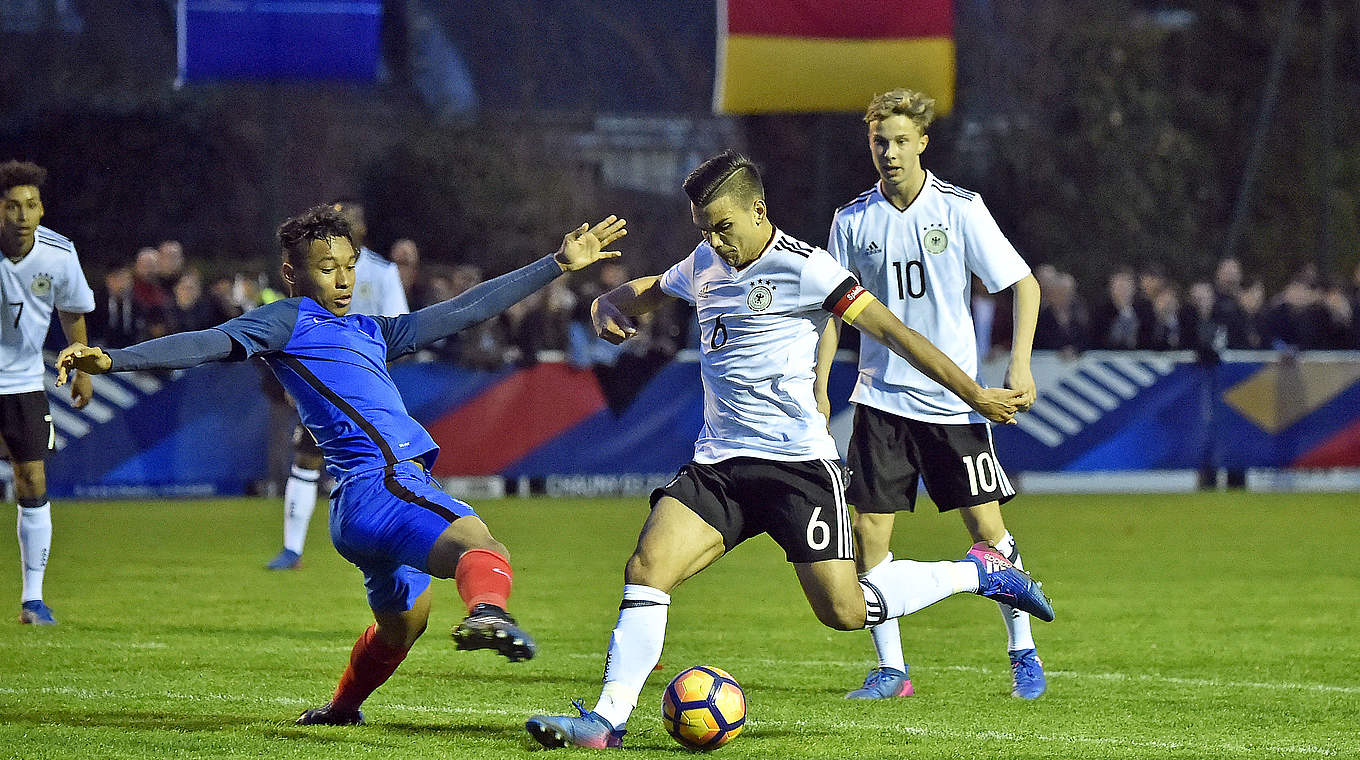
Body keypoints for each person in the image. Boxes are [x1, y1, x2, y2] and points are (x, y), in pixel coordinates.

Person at [524, 151, 1052, 750]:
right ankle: (607, 720)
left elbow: (898, 335)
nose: (715, 241)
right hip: (720, 466)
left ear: (758, 210)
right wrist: (607, 303)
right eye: (705, 230)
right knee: (647, 570)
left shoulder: (808, 268)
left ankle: (978, 571)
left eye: (723, 227)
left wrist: (976, 394)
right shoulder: (705, 261)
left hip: (798, 469)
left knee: (846, 612)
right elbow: (655, 287)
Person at [57, 205, 627, 724]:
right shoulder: (287, 320)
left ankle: (340, 710)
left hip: (357, 508)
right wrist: (111, 358)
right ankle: (489, 613)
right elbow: (208, 342)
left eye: (350, 265)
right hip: (386, 483)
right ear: (292, 274)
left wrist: (556, 264)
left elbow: (464, 310)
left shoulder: (369, 331)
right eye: (328, 267)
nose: (344, 279)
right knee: (482, 547)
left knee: (404, 625)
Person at [814, 88, 1048, 701]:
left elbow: (1023, 284)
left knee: (988, 529)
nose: (888, 152)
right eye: (878, 142)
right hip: (880, 399)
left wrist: (1018, 364)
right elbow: (833, 313)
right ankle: (892, 671)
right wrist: (819, 385)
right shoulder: (851, 221)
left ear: (922, 142)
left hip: (953, 402)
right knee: (868, 533)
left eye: (898, 140)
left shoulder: (961, 209)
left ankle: (1022, 650)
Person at [265, 200, 411, 571]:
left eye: (351, 223)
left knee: (388, 464)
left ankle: (401, 544)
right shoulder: (314, 270)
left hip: (370, 388)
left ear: (360, 233)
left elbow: (400, 329)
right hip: (324, 386)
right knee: (306, 455)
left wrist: (366, 371)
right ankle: (292, 549)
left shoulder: (381, 271)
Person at [0, 160, 96, 626]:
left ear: (41, 211)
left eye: (30, 206)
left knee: (32, 481)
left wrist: (81, 369)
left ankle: (32, 601)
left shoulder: (59, 254)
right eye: (12, 206)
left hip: (22, 384)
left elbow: (73, 310)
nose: (22, 215)